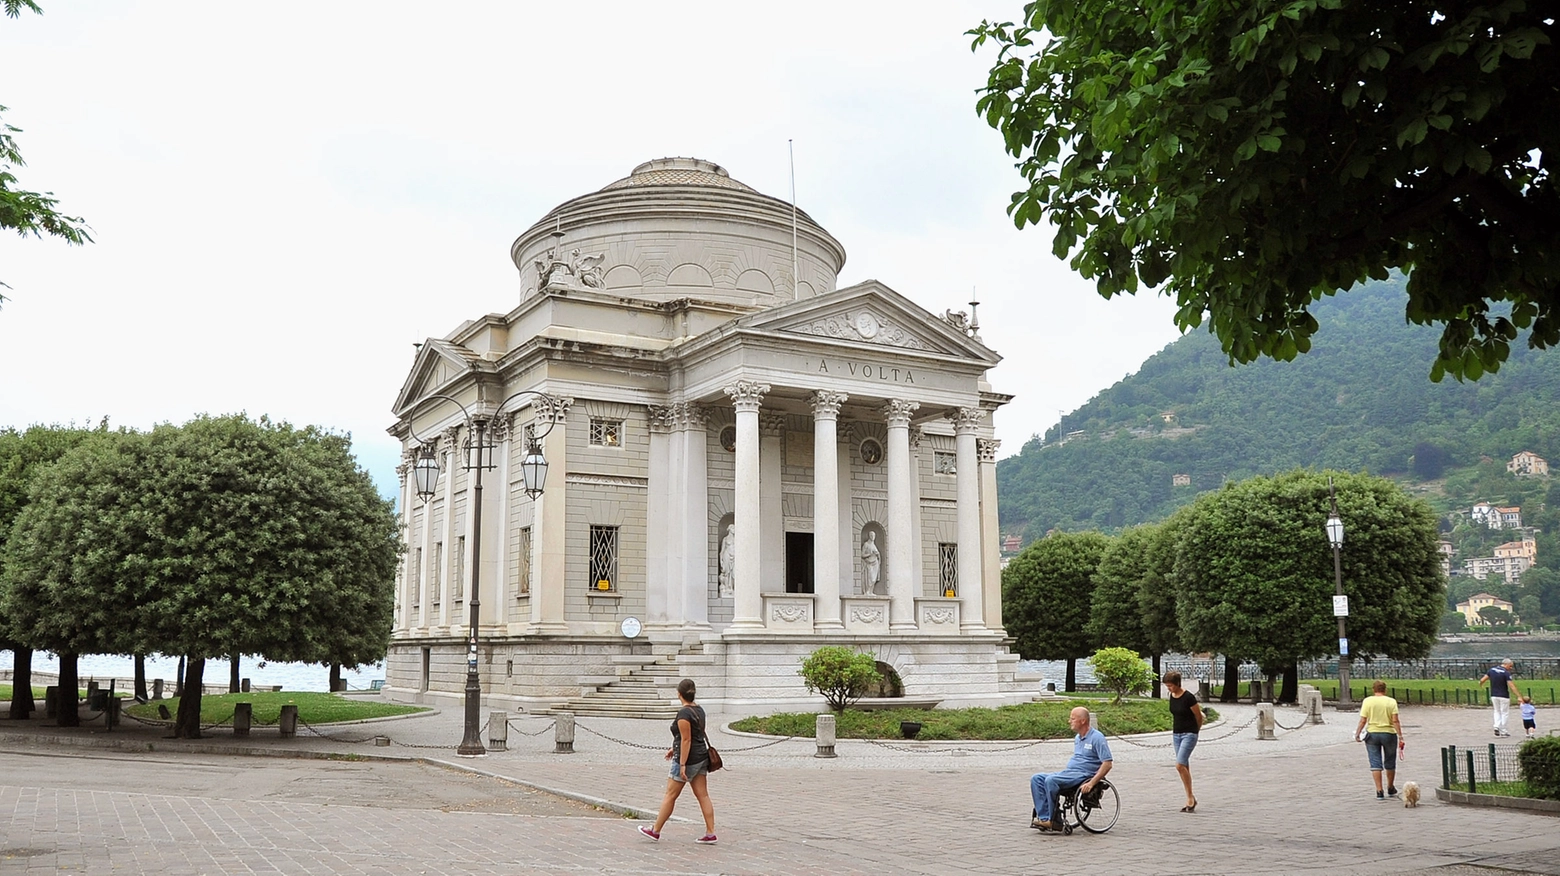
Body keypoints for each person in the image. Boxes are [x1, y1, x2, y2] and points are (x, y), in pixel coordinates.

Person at [639, 678, 717, 844]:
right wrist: (674, 748)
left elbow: (686, 739)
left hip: (688, 759)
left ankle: (655, 830)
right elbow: (692, 735)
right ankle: (710, 832)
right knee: (703, 795)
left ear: (679, 694)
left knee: (670, 795)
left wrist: (682, 764)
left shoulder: (683, 714)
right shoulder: (699, 710)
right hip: (701, 756)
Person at [1029, 706, 1113, 831]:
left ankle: (1054, 819)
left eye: (1072, 719)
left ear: (1083, 721)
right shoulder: (1078, 738)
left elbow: (1107, 763)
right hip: (1069, 773)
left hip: (1084, 774)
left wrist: (1091, 783)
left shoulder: (1097, 738)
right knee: (1036, 778)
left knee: (1051, 780)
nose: (1069, 721)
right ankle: (1044, 817)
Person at [1354, 680, 1404, 800]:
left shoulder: (1368, 701)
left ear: (1373, 689)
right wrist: (1400, 736)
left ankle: (1379, 790)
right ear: (1385, 689)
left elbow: (1363, 720)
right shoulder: (1391, 702)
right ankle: (1390, 787)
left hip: (1372, 734)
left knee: (1375, 762)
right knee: (1390, 761)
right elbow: (1395, 720)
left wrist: (1358, 733)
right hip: (1389, 734)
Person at [1163, 671, 1204, 812]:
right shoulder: (1172, 696)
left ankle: (1190, 797)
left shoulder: (1188, 697)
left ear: (1177, 684)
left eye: (1171, 686)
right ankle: (1190, 797)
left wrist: (1195, 731)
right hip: (1177, 734)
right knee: (1185, 767)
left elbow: (1198, 716)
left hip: (1189, 733)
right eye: (1167, 686)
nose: (1169, 688)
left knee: (1179, 765)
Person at [1479, 658, 1522, 737]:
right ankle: (1503, 731)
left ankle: (1496, 726)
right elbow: (1511, 686)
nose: (1511, 668)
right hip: (1504, 695)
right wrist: (1519, 696)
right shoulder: (1506, 673)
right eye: (1510, 666)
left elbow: (1482, 679)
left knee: (1497, 711)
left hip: (1494, 695)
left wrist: (1481, 684)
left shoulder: (1492, 670)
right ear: (1506, 664)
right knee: (1504, 713)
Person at [860, 530, 881, 595]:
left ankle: (871, 592)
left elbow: (877, 554)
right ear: (869, 536)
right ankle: (867, 591)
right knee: (870, 578)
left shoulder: (874, 545)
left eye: (874, 535)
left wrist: (877, 554)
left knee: (874, 579)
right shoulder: (866, 544)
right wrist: (869, 554)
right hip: (869, 563)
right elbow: (862, 555)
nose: (873, 537)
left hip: (875, 563)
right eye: (871, 535)